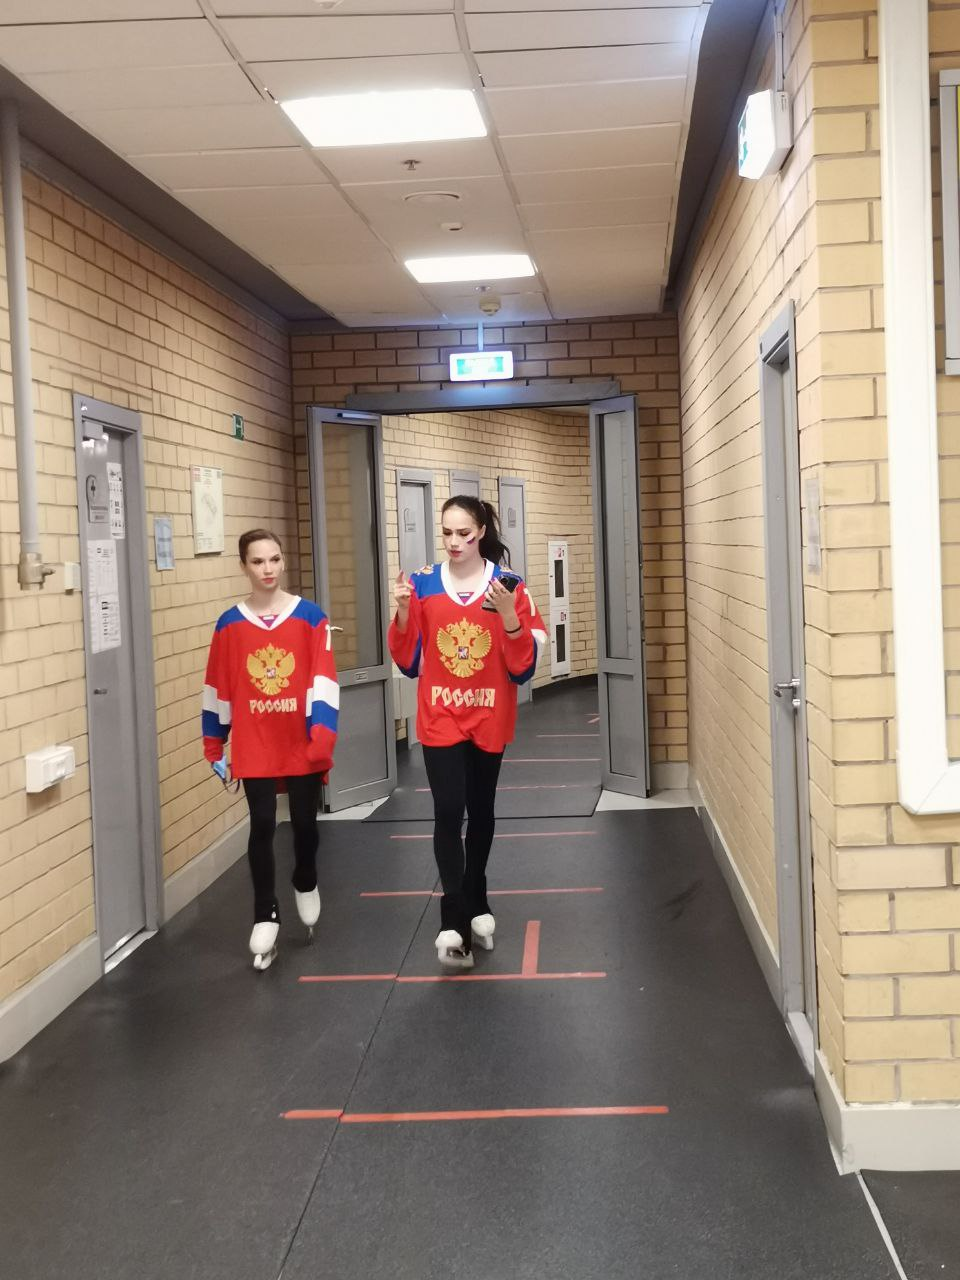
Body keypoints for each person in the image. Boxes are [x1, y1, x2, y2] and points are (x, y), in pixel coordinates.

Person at [389, 496, 548, 969]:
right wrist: (403, 613)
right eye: (447, 533)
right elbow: (408, 660)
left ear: (481, 533)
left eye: (464, 533)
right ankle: (454, 917)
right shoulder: (423, 585)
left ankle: (477, 894)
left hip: (489, 715)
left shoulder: (508, 587)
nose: (454, 542)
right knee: (447, 810)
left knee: (481, 811)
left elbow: (523, 668)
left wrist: (510, 617)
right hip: (440, 715)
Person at [201, 529, 338, 970]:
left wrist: (323, 735)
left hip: (299, 741)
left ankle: (305, 877)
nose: (267, 569)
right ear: (243, 566)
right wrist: (214, 743)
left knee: (304, 824)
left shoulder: (310, 617)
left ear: (283, 561)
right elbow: (217, 685)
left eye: (274, 559)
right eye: (258, 561)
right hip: (254, 740)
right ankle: (266, 913)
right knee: (261, 824)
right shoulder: (229, 624)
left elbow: (323, 679)